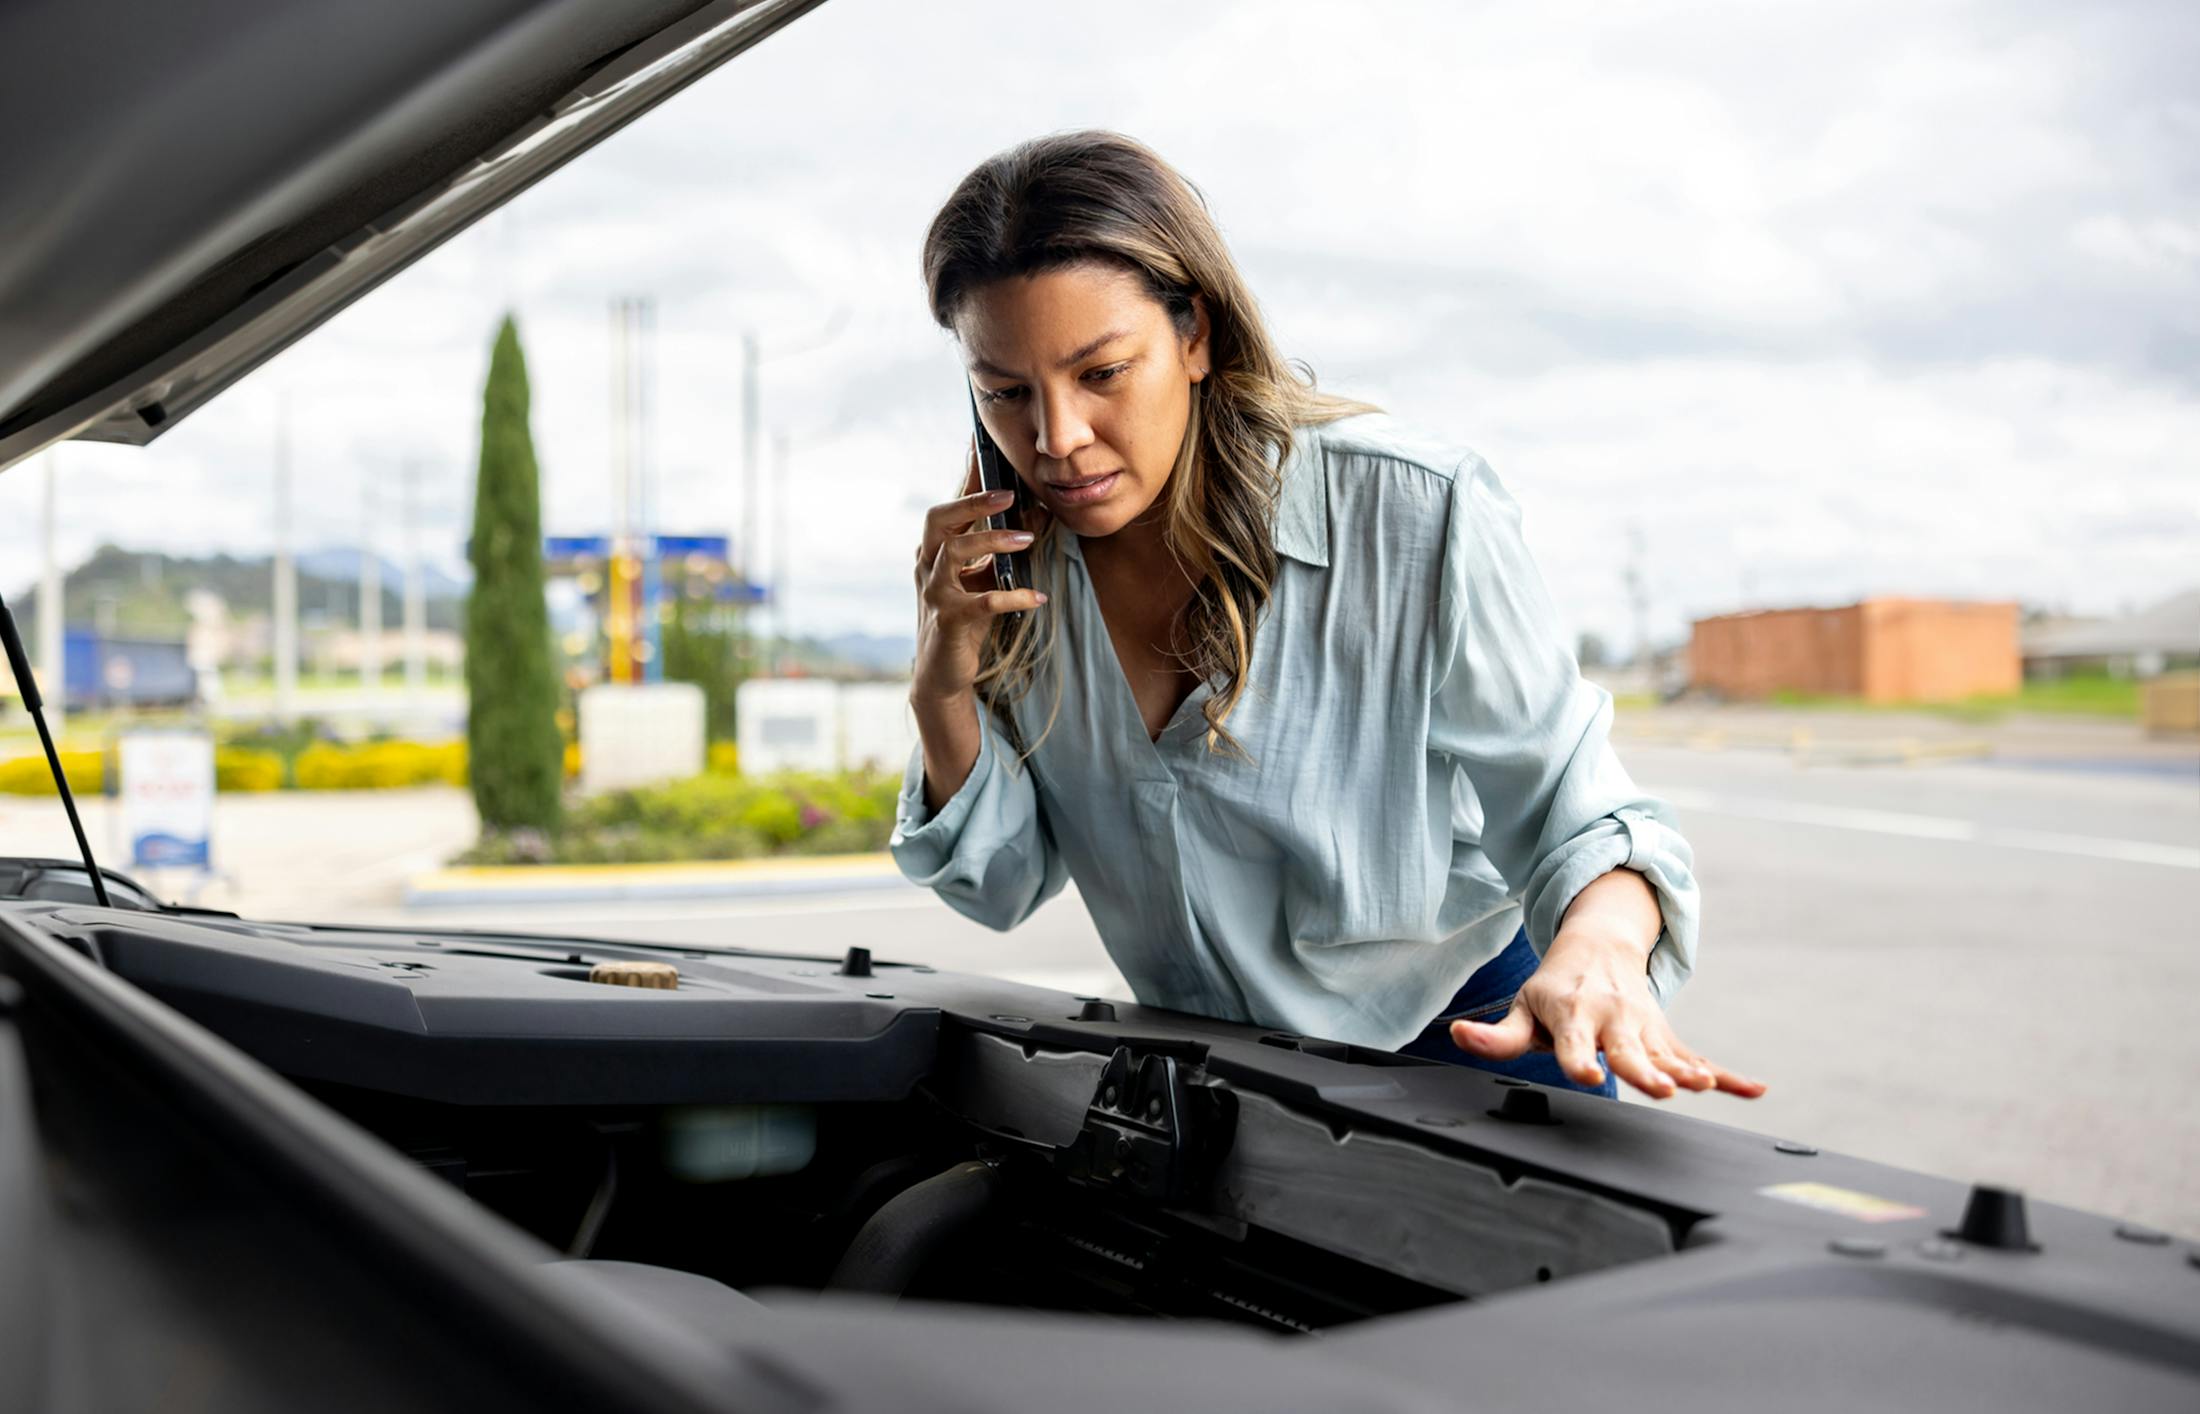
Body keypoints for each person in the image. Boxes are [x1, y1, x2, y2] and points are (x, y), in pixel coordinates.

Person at [891, 130, 1763, 1103]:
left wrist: (1598, 947)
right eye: (1006, 393)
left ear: (1195, 335)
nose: (1055, 438)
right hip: (1215, 1086)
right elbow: (999, 887)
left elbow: (1580, 811)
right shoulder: (1001, 573)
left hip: (1474, 1046)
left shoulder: (1417, 511)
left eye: (1102, 374)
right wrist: (942, 685)